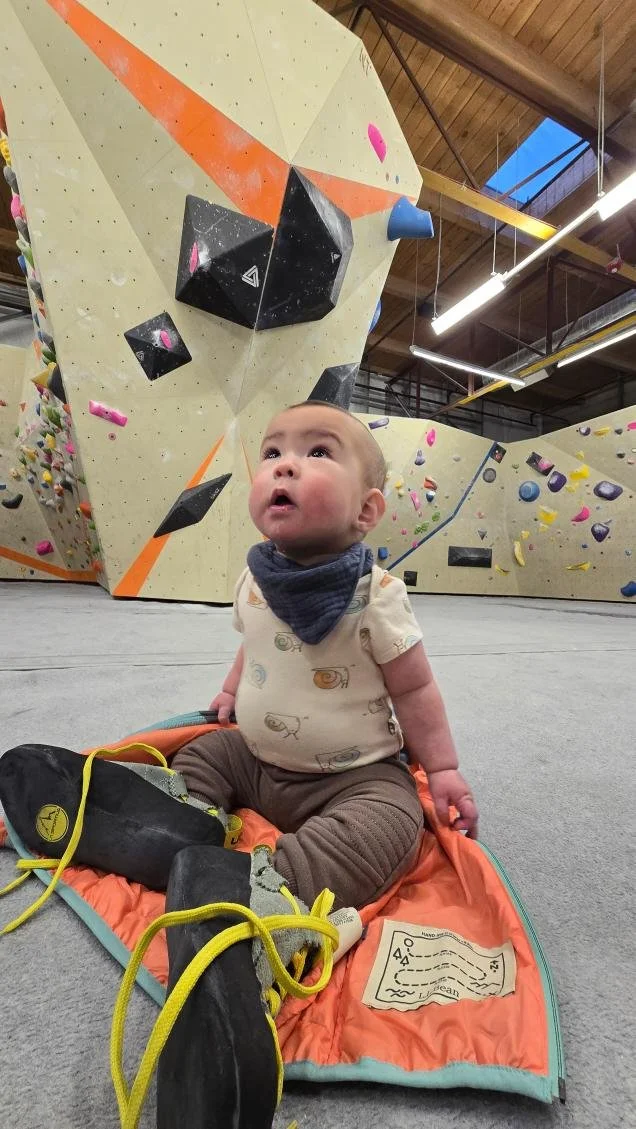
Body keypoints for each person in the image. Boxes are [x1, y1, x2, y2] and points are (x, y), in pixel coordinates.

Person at [171, 399, 479, 915]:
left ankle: (262, 889)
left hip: (354, 777)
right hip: (255, 761)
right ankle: (173, 827)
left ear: (365, 511)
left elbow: (414, 688)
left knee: (389, 823)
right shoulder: (253, 579)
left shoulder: (377, 596)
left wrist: (443, 767)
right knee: (199, 756)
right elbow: (254, 643)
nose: (284, 466)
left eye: (317, 452)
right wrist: (229, 690)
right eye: (272, 453)